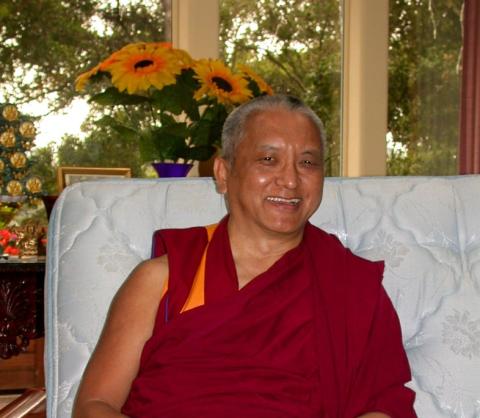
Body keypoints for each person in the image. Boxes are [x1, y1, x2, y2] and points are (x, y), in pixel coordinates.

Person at [73, 95, 416, 418]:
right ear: (223, 174)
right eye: (268, 159)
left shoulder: (352, 286)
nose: (291, 180)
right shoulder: (163, 279)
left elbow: (386, 404)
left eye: (307, 163)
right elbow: (94, 405)